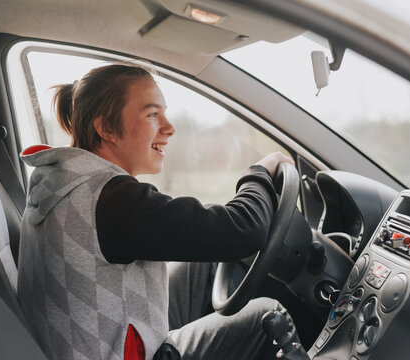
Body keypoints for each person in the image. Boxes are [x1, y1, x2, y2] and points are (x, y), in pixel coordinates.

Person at [17, 64, 296, 360]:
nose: (169, 127)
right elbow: (242, 231)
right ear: (106, 129)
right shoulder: (112, 201)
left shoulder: (66, 182)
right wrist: (260, 172)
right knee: (268, 316)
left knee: (201, 267)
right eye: (152, 114)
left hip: (103, 338)